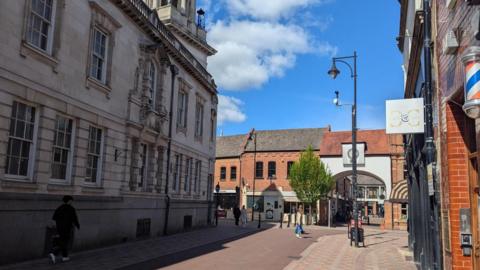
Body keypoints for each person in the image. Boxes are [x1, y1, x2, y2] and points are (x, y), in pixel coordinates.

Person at [49, 195, 80, 264]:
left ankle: (65, 257)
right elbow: (74, 218)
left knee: (62, 241)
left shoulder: (59, 208)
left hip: (59, 228)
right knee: (64, 242)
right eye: (71, 201)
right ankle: (54, 253)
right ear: (69, 201)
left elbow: (54, 218)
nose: (72, 202)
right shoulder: (71, 209)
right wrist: (77, 225)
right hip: (67, 228)